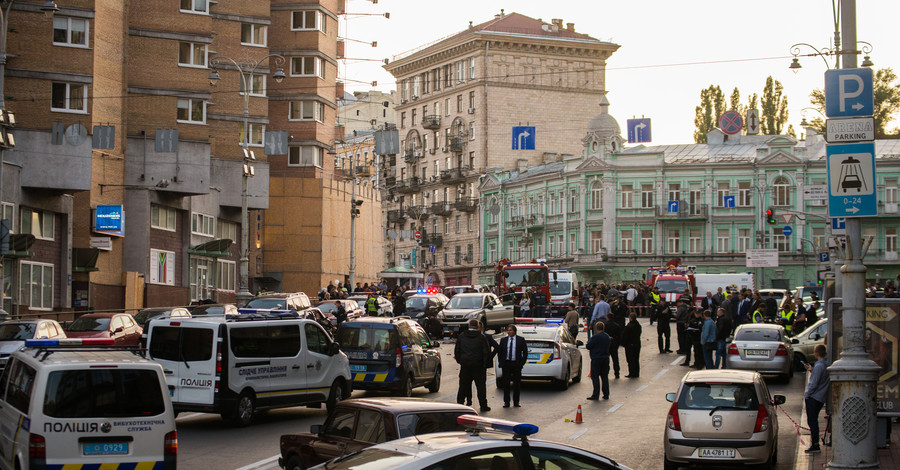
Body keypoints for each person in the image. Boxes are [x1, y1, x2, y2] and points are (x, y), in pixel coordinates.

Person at [455, 318, 491, 412]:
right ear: (477, 326)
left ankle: (459, 405)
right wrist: (484, 365)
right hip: (478, 366)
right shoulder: (481, 337)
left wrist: (461, 361)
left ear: (469, 325)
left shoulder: (462, 336)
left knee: (463, 386)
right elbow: (486, 352)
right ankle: (483, 405)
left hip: (465, 365)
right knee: (481, 387)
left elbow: (457, 351)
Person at [804, 344, 830, 454]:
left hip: (814, 397)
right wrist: (811, 370)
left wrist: (807, 394)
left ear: (816, 353)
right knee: (813, 420)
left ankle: (815, 445)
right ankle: (815, 444)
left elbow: (814, 383)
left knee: (812, 421)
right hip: (821, 397)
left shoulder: (819, 366)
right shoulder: (826, 364)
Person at [497, 324, 527, 408]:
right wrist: (501, 362)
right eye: (508, 330)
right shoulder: (503, 340)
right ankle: (506, 402)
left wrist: (521, 363)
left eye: (510, 330)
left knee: (516, 384)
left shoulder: (521, 340)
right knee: (506, 384)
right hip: (506, 364)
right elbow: (500, 352)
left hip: (516, 364)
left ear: (514, 331)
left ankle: (516, 401)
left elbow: (525, 353)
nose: (509, 332)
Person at [585, 321, 611, 400]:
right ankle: (606, 394)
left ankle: (596, 394)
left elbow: (588, 346)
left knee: (595, 377)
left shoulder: (595, 337)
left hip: (596, 358)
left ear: (596, 328)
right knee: (604, 377)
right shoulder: (607, 336)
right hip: (605, 358)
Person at [622, 312, 642, 378]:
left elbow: (625, 336)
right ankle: (636, 373)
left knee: (630, 360)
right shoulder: (638, 325)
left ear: (630, 318)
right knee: (636, 359)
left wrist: (624, 343)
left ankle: (632, 373)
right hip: (637, 344)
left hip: (629, 345)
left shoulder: (628, 326)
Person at [605, 311, 622, 379]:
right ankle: (617, 373)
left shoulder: (605, 325)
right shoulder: (617, 325)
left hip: (607, 345)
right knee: (615, 360)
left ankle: (606, 372)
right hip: (614, 344)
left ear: (608, 318)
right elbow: (619, 336)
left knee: (606, 359)